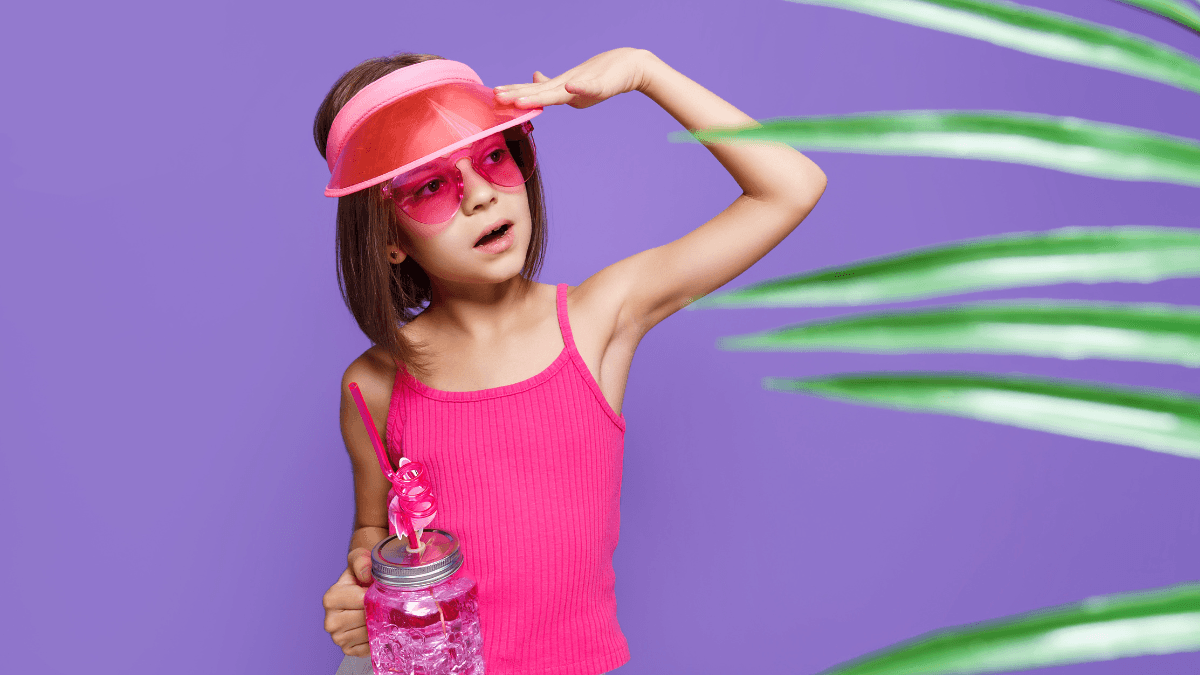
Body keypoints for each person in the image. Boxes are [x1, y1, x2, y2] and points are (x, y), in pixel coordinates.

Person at [316, 47, 827, 674]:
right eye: (430, 186)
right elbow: (374, 534)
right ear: (390, 240)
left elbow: (791, 187)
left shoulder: (595, 321)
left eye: (493, 157)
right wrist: (361, 585)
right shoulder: (373, 384)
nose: (480, 196)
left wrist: (646, 73)